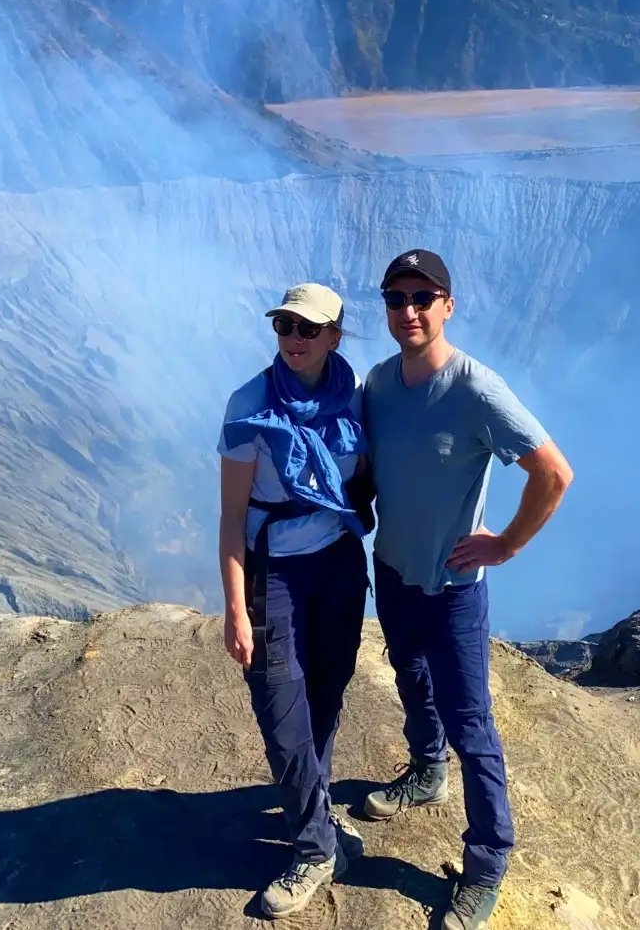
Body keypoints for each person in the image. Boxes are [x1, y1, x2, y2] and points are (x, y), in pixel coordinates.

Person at [359, 249, 573, 930]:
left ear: (448, 305)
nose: (409, 310)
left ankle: (486, 865)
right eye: (396, 298)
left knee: (472, 724)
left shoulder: (477, 387)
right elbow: (370, 466)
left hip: (453, 586)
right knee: (409, 674)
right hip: (391, 569)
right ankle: (427, 770)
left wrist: (506, 543)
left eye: (424, 296)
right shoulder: (379, 382)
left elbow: (554, 472)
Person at [217, 282, 374, 920]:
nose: (294, 340)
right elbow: (231, 517)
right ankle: (315, 848)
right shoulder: (249, 405)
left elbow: (376, 474)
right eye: (285, 326)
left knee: (327, 695)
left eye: (309, 329)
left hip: (338, 563)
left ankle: (314, 807)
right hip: (273, 570)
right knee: (282, 713)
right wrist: (233, 609)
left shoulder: (353, 396)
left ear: (335, 336)